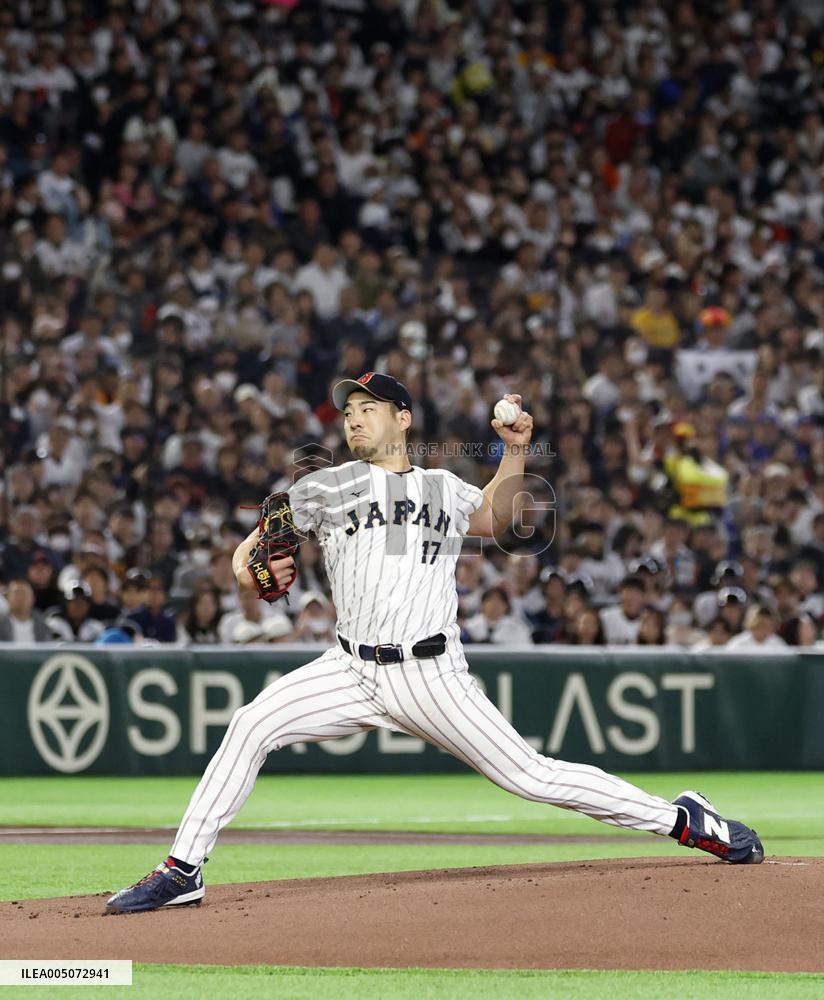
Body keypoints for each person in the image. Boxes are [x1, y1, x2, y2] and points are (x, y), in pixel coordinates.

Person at [105, 373, 764, 914]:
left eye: (369, 408)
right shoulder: (322, 488)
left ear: (403, 419)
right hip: (349, 667)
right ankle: (182, 869)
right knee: (250, 725)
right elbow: (254, 548)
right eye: (348, 411)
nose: (354, 419)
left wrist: (513, 449)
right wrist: (251, 568)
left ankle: (683, 819)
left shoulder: (442, 489)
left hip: (429, 675)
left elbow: (499, 516)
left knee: (533, 778)